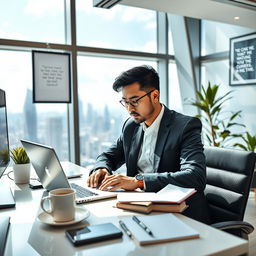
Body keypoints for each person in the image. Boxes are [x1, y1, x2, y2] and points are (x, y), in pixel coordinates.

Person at [87, 65, 210, 224]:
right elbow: (108, 156)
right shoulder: (131, 126)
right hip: (139, 210)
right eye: (125, 102)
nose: (130, 109)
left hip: (179, 215)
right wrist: (101, 168)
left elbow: (195, 176)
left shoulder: (185, 126)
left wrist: (139, 181)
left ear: (155, 96)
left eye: (135, 101)